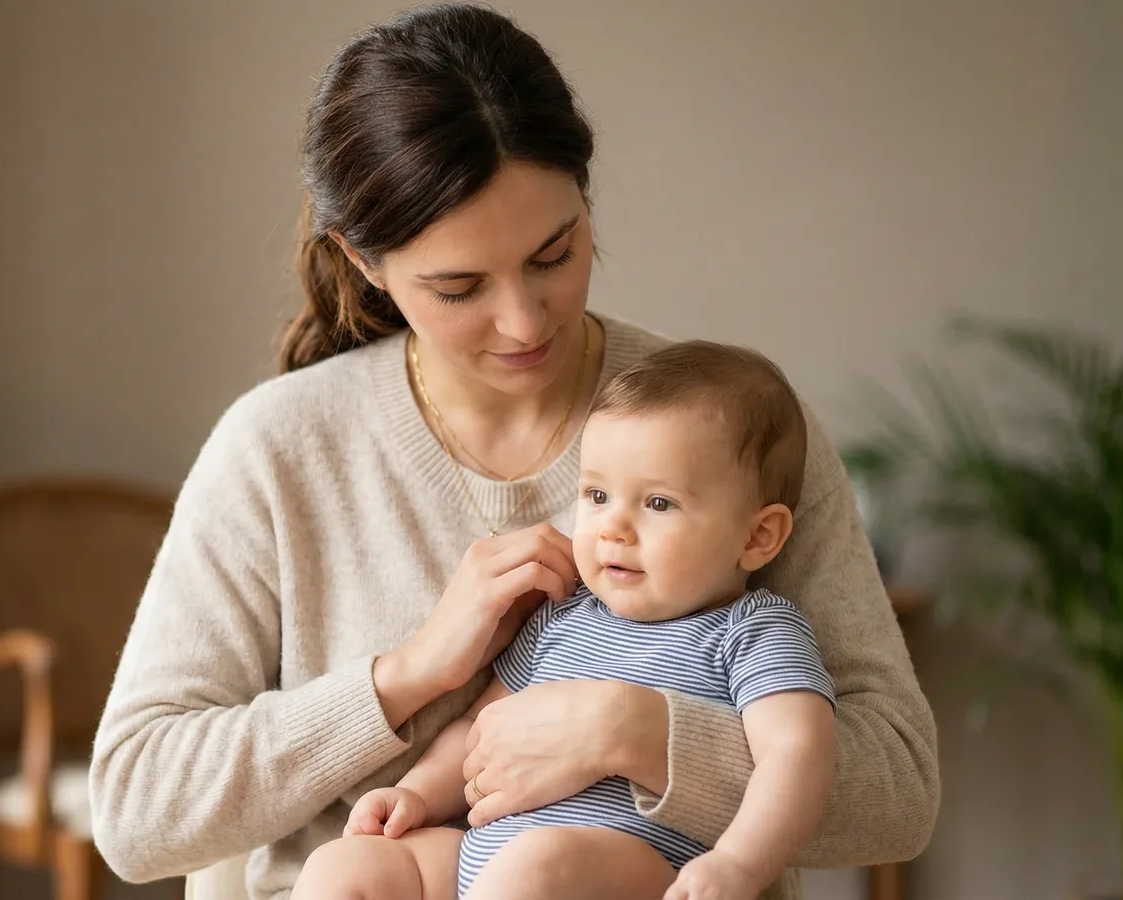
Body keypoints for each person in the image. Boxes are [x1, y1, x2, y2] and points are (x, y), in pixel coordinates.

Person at [89, 6, 938, 899]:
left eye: (554, 253)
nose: (526, 322)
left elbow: (901, 794)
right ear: (364, 261)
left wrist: (637, 733)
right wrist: (405, 677)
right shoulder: (277, 450)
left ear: (585, 197)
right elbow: (137, 814)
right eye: (459, 288)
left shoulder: (734, 434)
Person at [291, 341, 838, 900]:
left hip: (629, 870)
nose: (612, 529)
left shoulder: (754, 631)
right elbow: (482, 731)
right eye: (597, 495)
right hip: (482, 860)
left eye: (658, 504)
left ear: (757, 536)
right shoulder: (564, 615)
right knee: (345, 868)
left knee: (536, 868)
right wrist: (418, 794)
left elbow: (797, 756)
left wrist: (739, 865)